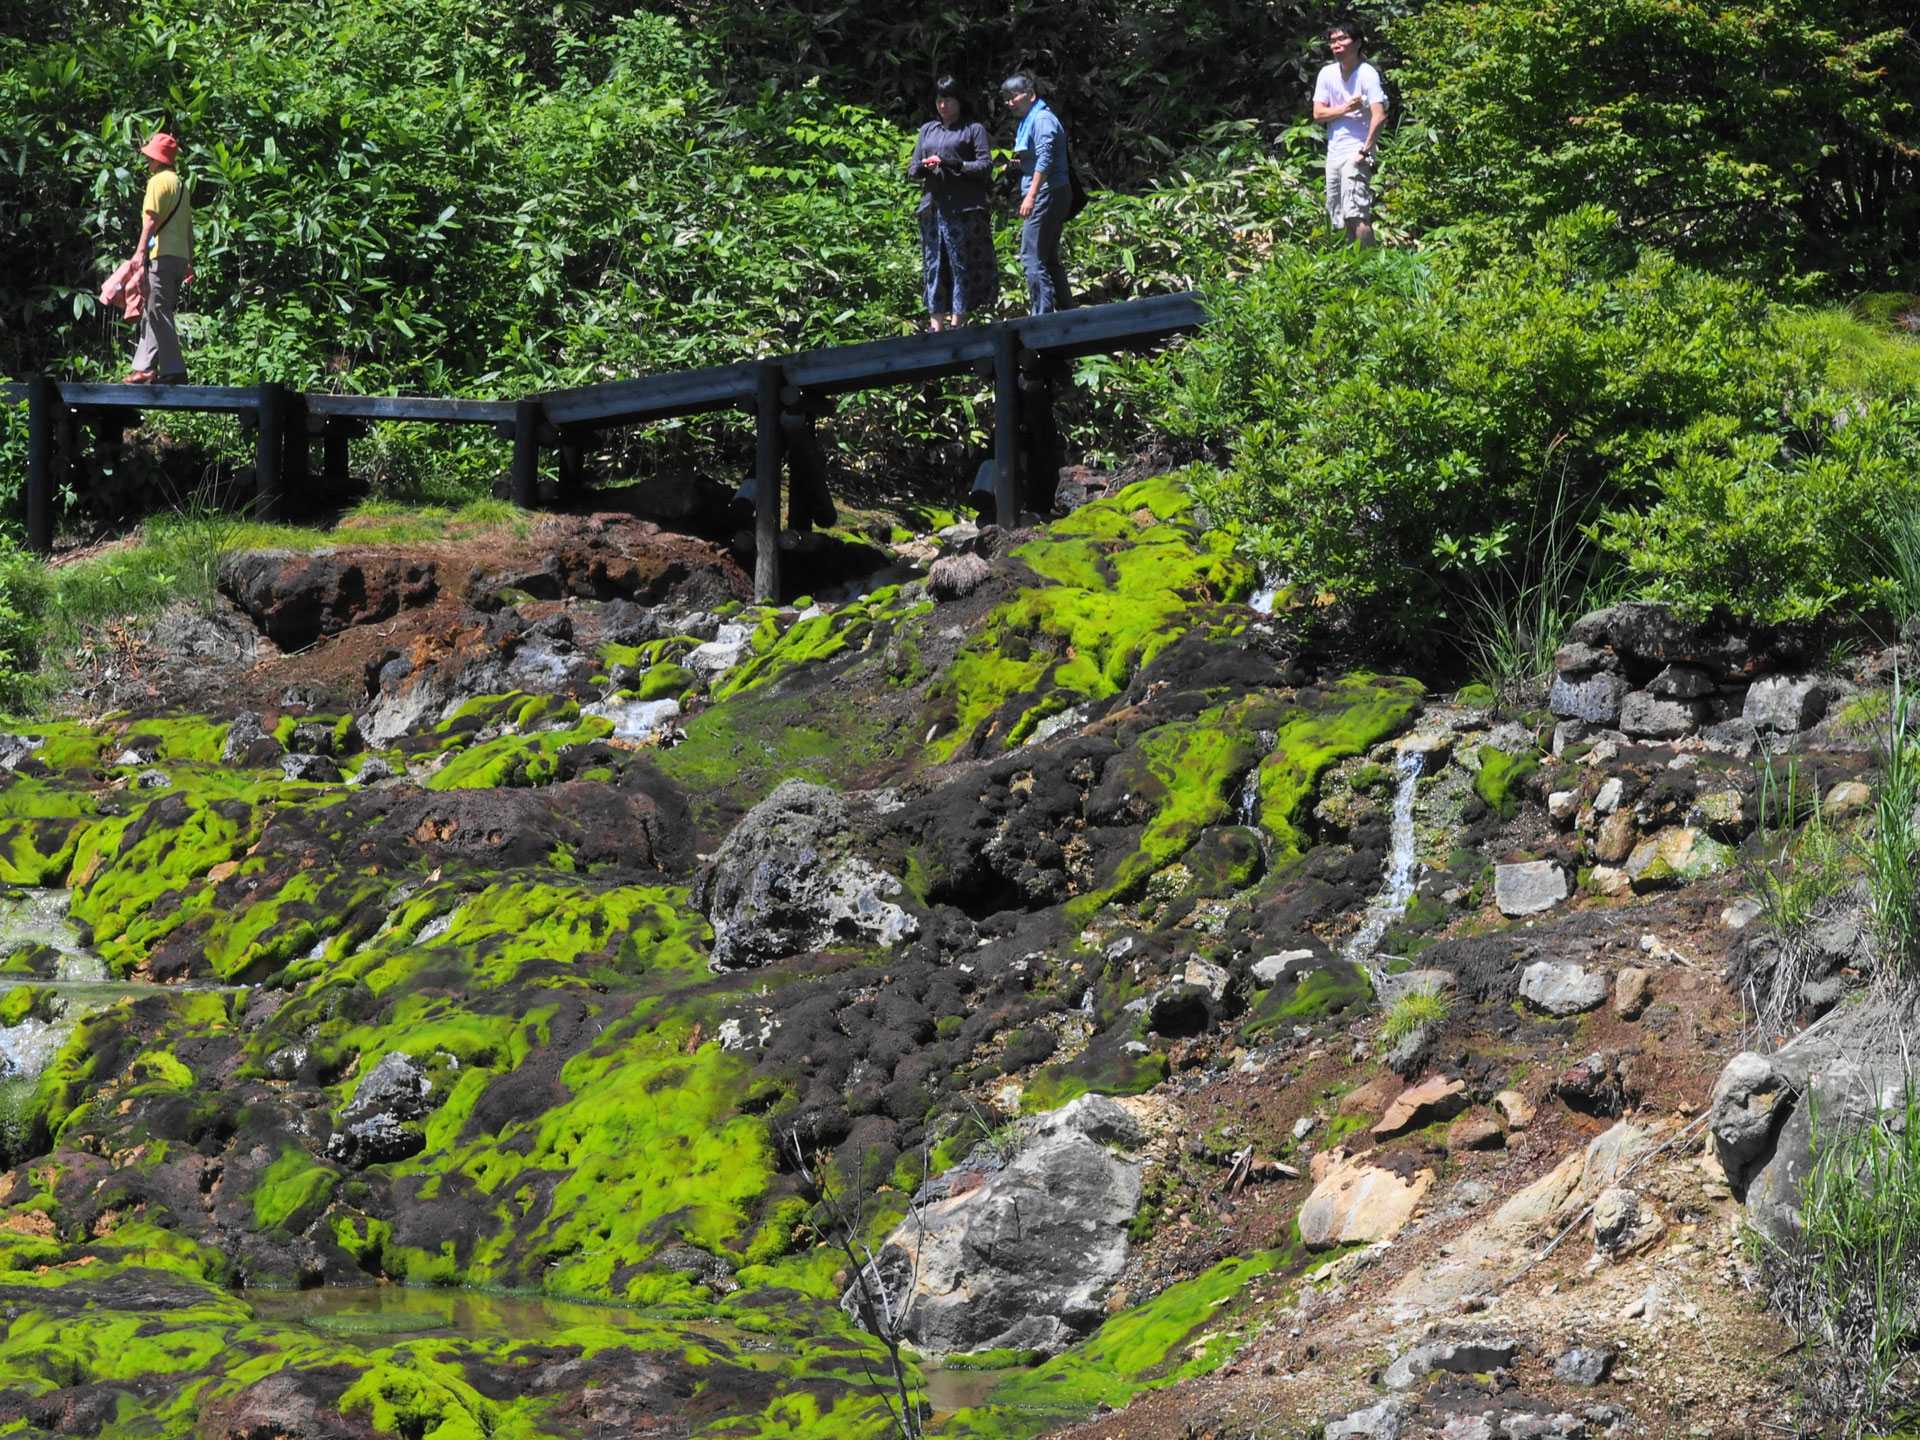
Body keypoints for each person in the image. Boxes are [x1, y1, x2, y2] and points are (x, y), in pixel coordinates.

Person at [908, 77, 998, 331]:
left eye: (947, 99)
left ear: (959, 100)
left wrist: (954, 163)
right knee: (934, 264)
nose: (942, 104)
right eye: (938, 99)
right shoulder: (928, 129)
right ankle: (935, 324)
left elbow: (985, 166)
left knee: (961, 263)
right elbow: (913, 167)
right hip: (933, 207)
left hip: (964, 209)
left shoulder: (973, 129)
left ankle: (958, 322)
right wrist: (923, 167)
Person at [1000, 73, 1072, 314]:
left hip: (1047, 192)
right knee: (1047, 258)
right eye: (1006, 99)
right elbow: (1037, 160)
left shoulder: (1041, 120)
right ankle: (1067, 311)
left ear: (1030, 95)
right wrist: (1016, 166)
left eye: (1013, 97)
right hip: (1051, 190)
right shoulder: (1032, 119)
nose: (1010, 103)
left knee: (1031, 257)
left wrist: (1030, 196)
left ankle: (1041, 316)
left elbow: (1046, 160)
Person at [125, 131, 193, 384]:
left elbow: (151, 220)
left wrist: (140, 251)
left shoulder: (158, 182)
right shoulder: (181, 185)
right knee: (152, 310)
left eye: (150, 157)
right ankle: (145, 367)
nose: (148, 162)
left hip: (161, 257)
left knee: (157, 310)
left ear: (157, 159)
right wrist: (190, 260)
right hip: (178, 257)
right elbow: (188, 226)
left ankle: (175, 371)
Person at [1312, 20, 1386, 248]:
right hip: (1334, 153)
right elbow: (1318, 113)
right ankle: (1351, 269)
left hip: (1356, 152)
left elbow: (1379, 115)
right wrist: (1345, 108)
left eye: (1342, 39)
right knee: (1337, 217)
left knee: (1356, 213)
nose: (1336, 45)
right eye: (1332, 41)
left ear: (1357, 43)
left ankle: (1372, 266)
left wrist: (1364, 151)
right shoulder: (1327, 73)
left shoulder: (1367, 74)